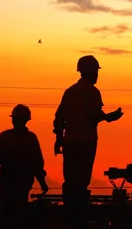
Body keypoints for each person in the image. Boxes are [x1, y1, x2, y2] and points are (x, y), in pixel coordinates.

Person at [52, 55, 124, 223]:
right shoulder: (92, 92)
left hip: (69, 142)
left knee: (69, 180)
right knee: (81, 180)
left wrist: (58, 139)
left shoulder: (70, 92)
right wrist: (109, 117)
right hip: (86, 143)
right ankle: (78, 216)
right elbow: (94, 116)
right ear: (92, 72)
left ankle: (69, 215)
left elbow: (59, 117)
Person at [0, 104, 49, 228]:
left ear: (24, 120)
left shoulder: (27, 139)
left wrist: (42, 182)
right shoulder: (9, 137)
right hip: (10, 184)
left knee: (15, 217)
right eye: (14, 119)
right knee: (9, 217)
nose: (14, 121)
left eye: (16, 119)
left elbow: (37, 164)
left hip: (19, 185)